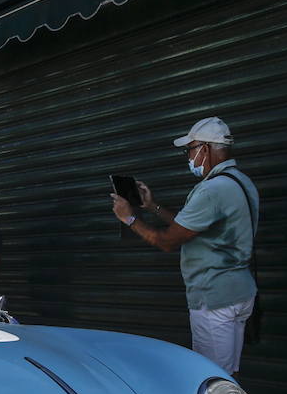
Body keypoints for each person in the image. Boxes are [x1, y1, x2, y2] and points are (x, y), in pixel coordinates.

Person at [111, 117, 259, 376]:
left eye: (190, 149)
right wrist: (152, 206)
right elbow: (189, 226)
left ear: (206, 148)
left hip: (214, 297)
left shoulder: (211, 190)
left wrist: (130, 218)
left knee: (211, 376)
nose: (188, 156)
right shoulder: (239, 181)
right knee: (228, 371)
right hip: (239, 292)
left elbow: (168, 241)